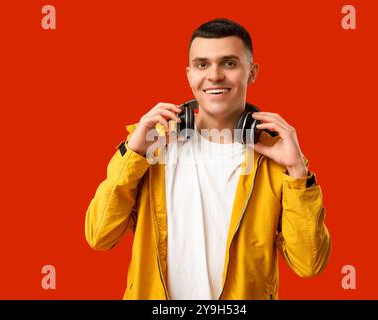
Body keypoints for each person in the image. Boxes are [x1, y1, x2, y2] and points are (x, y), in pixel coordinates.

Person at [85, 18, 331, 300]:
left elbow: (309, 264)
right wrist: (134, 153)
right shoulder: (151, 148)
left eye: (229, 63)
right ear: (189, 75)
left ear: (252, 72)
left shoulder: (280, 161)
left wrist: (298, 172)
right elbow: (99, 236)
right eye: (202, 64)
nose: (214, 75)